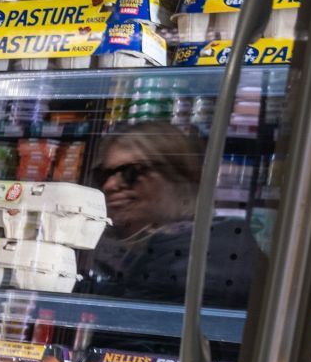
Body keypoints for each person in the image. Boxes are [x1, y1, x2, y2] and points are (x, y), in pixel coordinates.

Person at [82, 119, 261, 310]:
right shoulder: (141, 251)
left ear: (177, 177)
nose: (110, 186)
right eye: (103, 176)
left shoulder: (194, 255)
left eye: (130, 172)